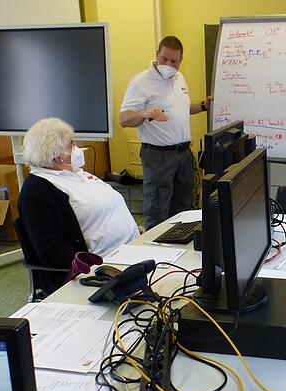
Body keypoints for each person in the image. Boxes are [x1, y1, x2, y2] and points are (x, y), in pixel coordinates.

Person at [18, 117, 141, 294]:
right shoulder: (37, 191)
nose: (77, 149)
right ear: (56, 154)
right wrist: (94, 266)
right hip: (100, 268)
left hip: (128, 250)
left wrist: (130, 230)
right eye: (71, 145)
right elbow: (52, 250)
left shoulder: (75, 174)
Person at [119, 35, 211, 230]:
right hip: (158, 156)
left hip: (183, 153)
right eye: (164, 59)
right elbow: (124, 119)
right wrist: (145, 113)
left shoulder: (179, 78)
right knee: (158, 211)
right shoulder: (141, 82)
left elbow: (181, 109)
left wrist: (203, 106)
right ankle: (157, 254)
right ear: (156, 55)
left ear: (181, 60)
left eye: (173, 61)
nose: (168, 64)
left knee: (184, 209)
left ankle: (180, 248)